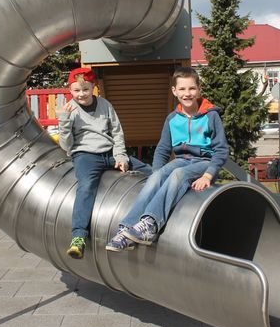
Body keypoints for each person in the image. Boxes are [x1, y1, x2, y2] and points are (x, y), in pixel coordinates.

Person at [106, 67, 228, 251]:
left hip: (204, 163)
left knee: (179, 174)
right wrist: (157, 175)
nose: (187, 93)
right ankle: (126, 229)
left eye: (192, 88)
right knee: (157, 175)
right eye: (182, 89)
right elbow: (163, 149)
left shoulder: (211, 116)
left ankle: (151, 224)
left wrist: (208, 176)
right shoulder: (172, 119)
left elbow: (221, 150)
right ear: (174, 91)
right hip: (182, 160)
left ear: (199, 89)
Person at [58, 67, 151, 260]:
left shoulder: (105, 105)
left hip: (109, 153)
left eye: (85, 89)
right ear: (70, 90)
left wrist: (121, 156)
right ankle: (78, 236)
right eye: (76, 90)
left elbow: (117, 133)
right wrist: (64, 121)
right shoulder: (70, 110)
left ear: (94, 87)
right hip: (85, 154)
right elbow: (66, 145)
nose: (81, 94)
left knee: (147, 169)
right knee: (86, 186)